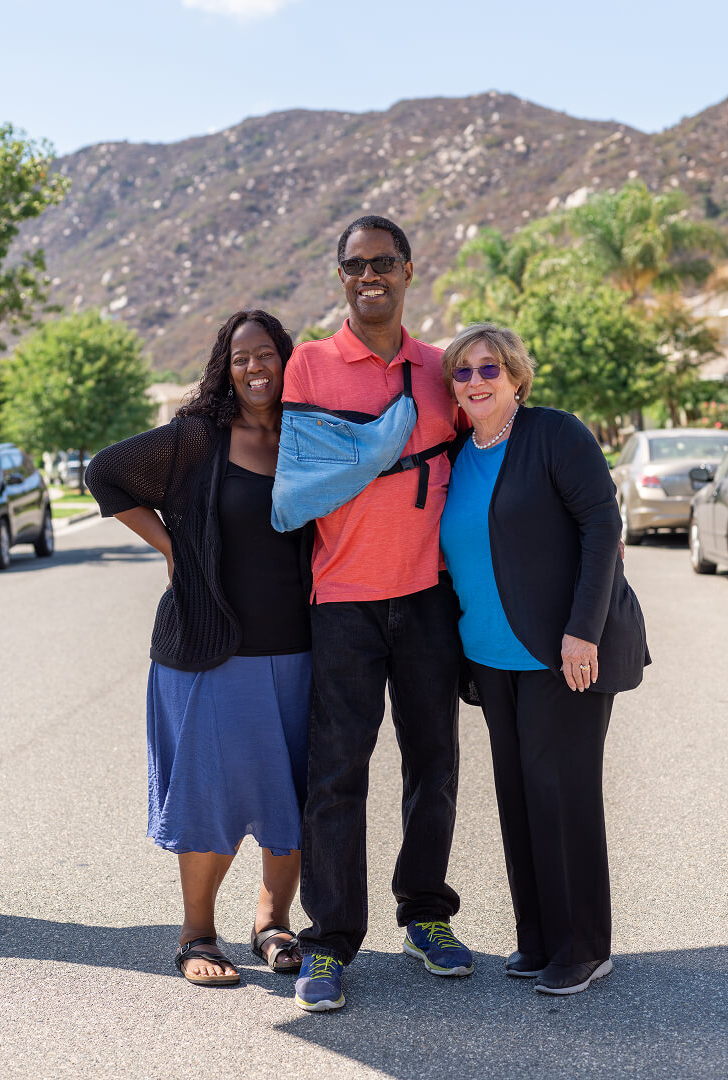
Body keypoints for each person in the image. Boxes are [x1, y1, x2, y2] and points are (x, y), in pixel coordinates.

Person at [85, 310, 312, 987]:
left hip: (301, 648)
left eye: (266, 354)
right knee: (209, 792)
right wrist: (171, 547)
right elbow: (106, 473)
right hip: (213, 650)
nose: (254, 368)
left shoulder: (306, 438)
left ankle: (272, 922)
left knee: (292, 793)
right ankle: (196, 933)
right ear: (225, 367)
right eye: (241, 357)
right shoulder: (197, 440)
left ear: (285, 360)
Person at [285, 216, 472, 1013]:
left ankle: (424, 914)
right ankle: (328, 942)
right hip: (343, 602)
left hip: (427, 597)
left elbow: (488, 458)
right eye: (355, 265)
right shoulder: (311, 365)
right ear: (340, 276)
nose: (371, 276)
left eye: (384, 263)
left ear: (407, 271)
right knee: (336, 774)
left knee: (434, 765)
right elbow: (299, 480)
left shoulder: (444, 369)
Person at [439, 323, 650, 996]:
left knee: (565, 797)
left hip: (564, 653)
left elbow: (602, 526)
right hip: (492, 658)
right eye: (463, 372)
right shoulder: (455, 454)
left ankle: (584, 946)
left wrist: (581, 633)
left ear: (516, 377)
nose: (475, 381)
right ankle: (538, 938)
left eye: (488, 369)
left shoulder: (555, 434)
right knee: (520, 799)